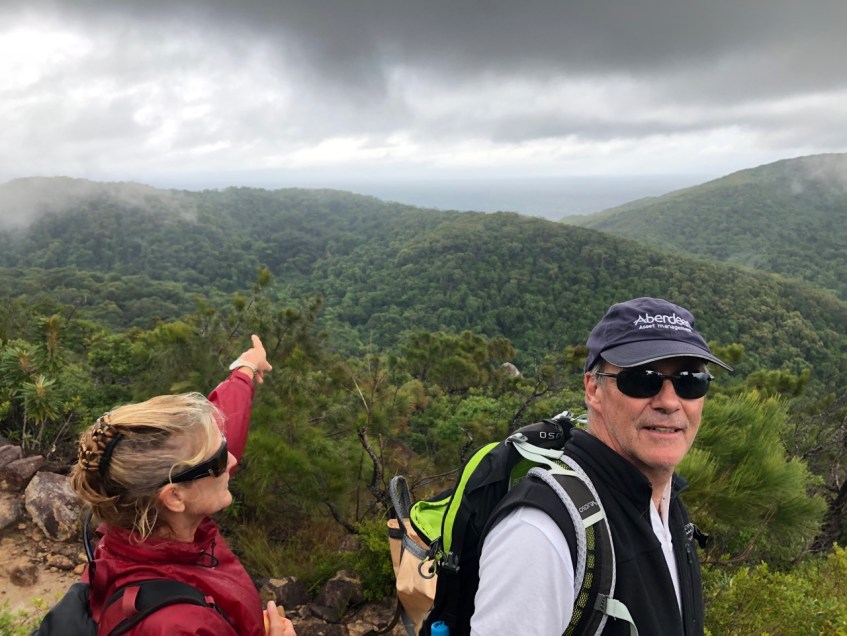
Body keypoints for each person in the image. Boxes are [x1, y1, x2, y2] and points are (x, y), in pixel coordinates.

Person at [470, 297, 732, 636]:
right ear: (594, 389)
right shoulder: (541, 533)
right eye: (642, 379)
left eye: (690, 380)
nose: (669, 402)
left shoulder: (667, 505)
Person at [70, 335, 296, 636]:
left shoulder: (138, 529)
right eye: (219, 459)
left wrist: (246, 369)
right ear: (174, 496)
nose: (231, 460)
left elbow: (219, 437)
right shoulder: (175, 626)